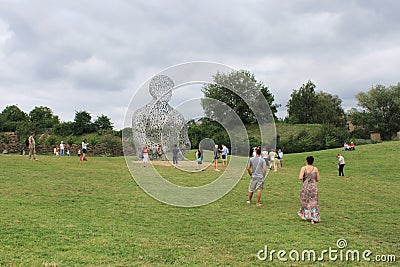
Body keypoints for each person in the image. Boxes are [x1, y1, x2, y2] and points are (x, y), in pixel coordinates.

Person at [298, 156, 321, 223]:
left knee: (305, 200)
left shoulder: (304, 168)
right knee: (313, 201)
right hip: (313, 186)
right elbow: (318, 179)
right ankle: (314, 216)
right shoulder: (315, 169)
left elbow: (300, 177)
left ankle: (305, 215)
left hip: (306, 186)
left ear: (306, 161)